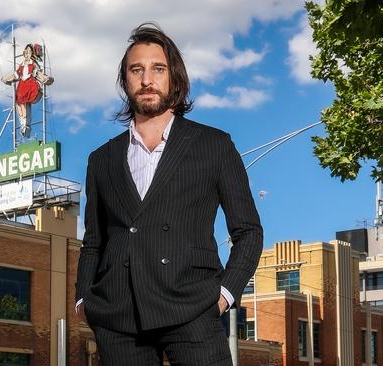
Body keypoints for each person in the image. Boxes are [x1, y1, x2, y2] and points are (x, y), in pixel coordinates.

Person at [75, 22, 263, 366]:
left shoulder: (214, 145)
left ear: (173, 77)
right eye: (137, 70)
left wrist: (224, 295)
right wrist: (83, 300)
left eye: (157, 69)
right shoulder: (101, 159)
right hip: (118, 314)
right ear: (125, 81)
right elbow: (94, 242)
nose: (147, 79)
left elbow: (248, 231)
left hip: (192, 306)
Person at [1, 43, 53, 138]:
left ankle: (25, 124)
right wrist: (6, 78)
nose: (27, 54)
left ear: (32, 54)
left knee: (24, 102)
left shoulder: (32, 64)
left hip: (29, 84)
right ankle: (23, 123)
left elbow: (37, 73)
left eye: (29, 52)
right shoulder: (21, 65)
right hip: (22, 85)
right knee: (18, 103)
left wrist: (45, 78)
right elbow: (16, 75)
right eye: (25, 52)